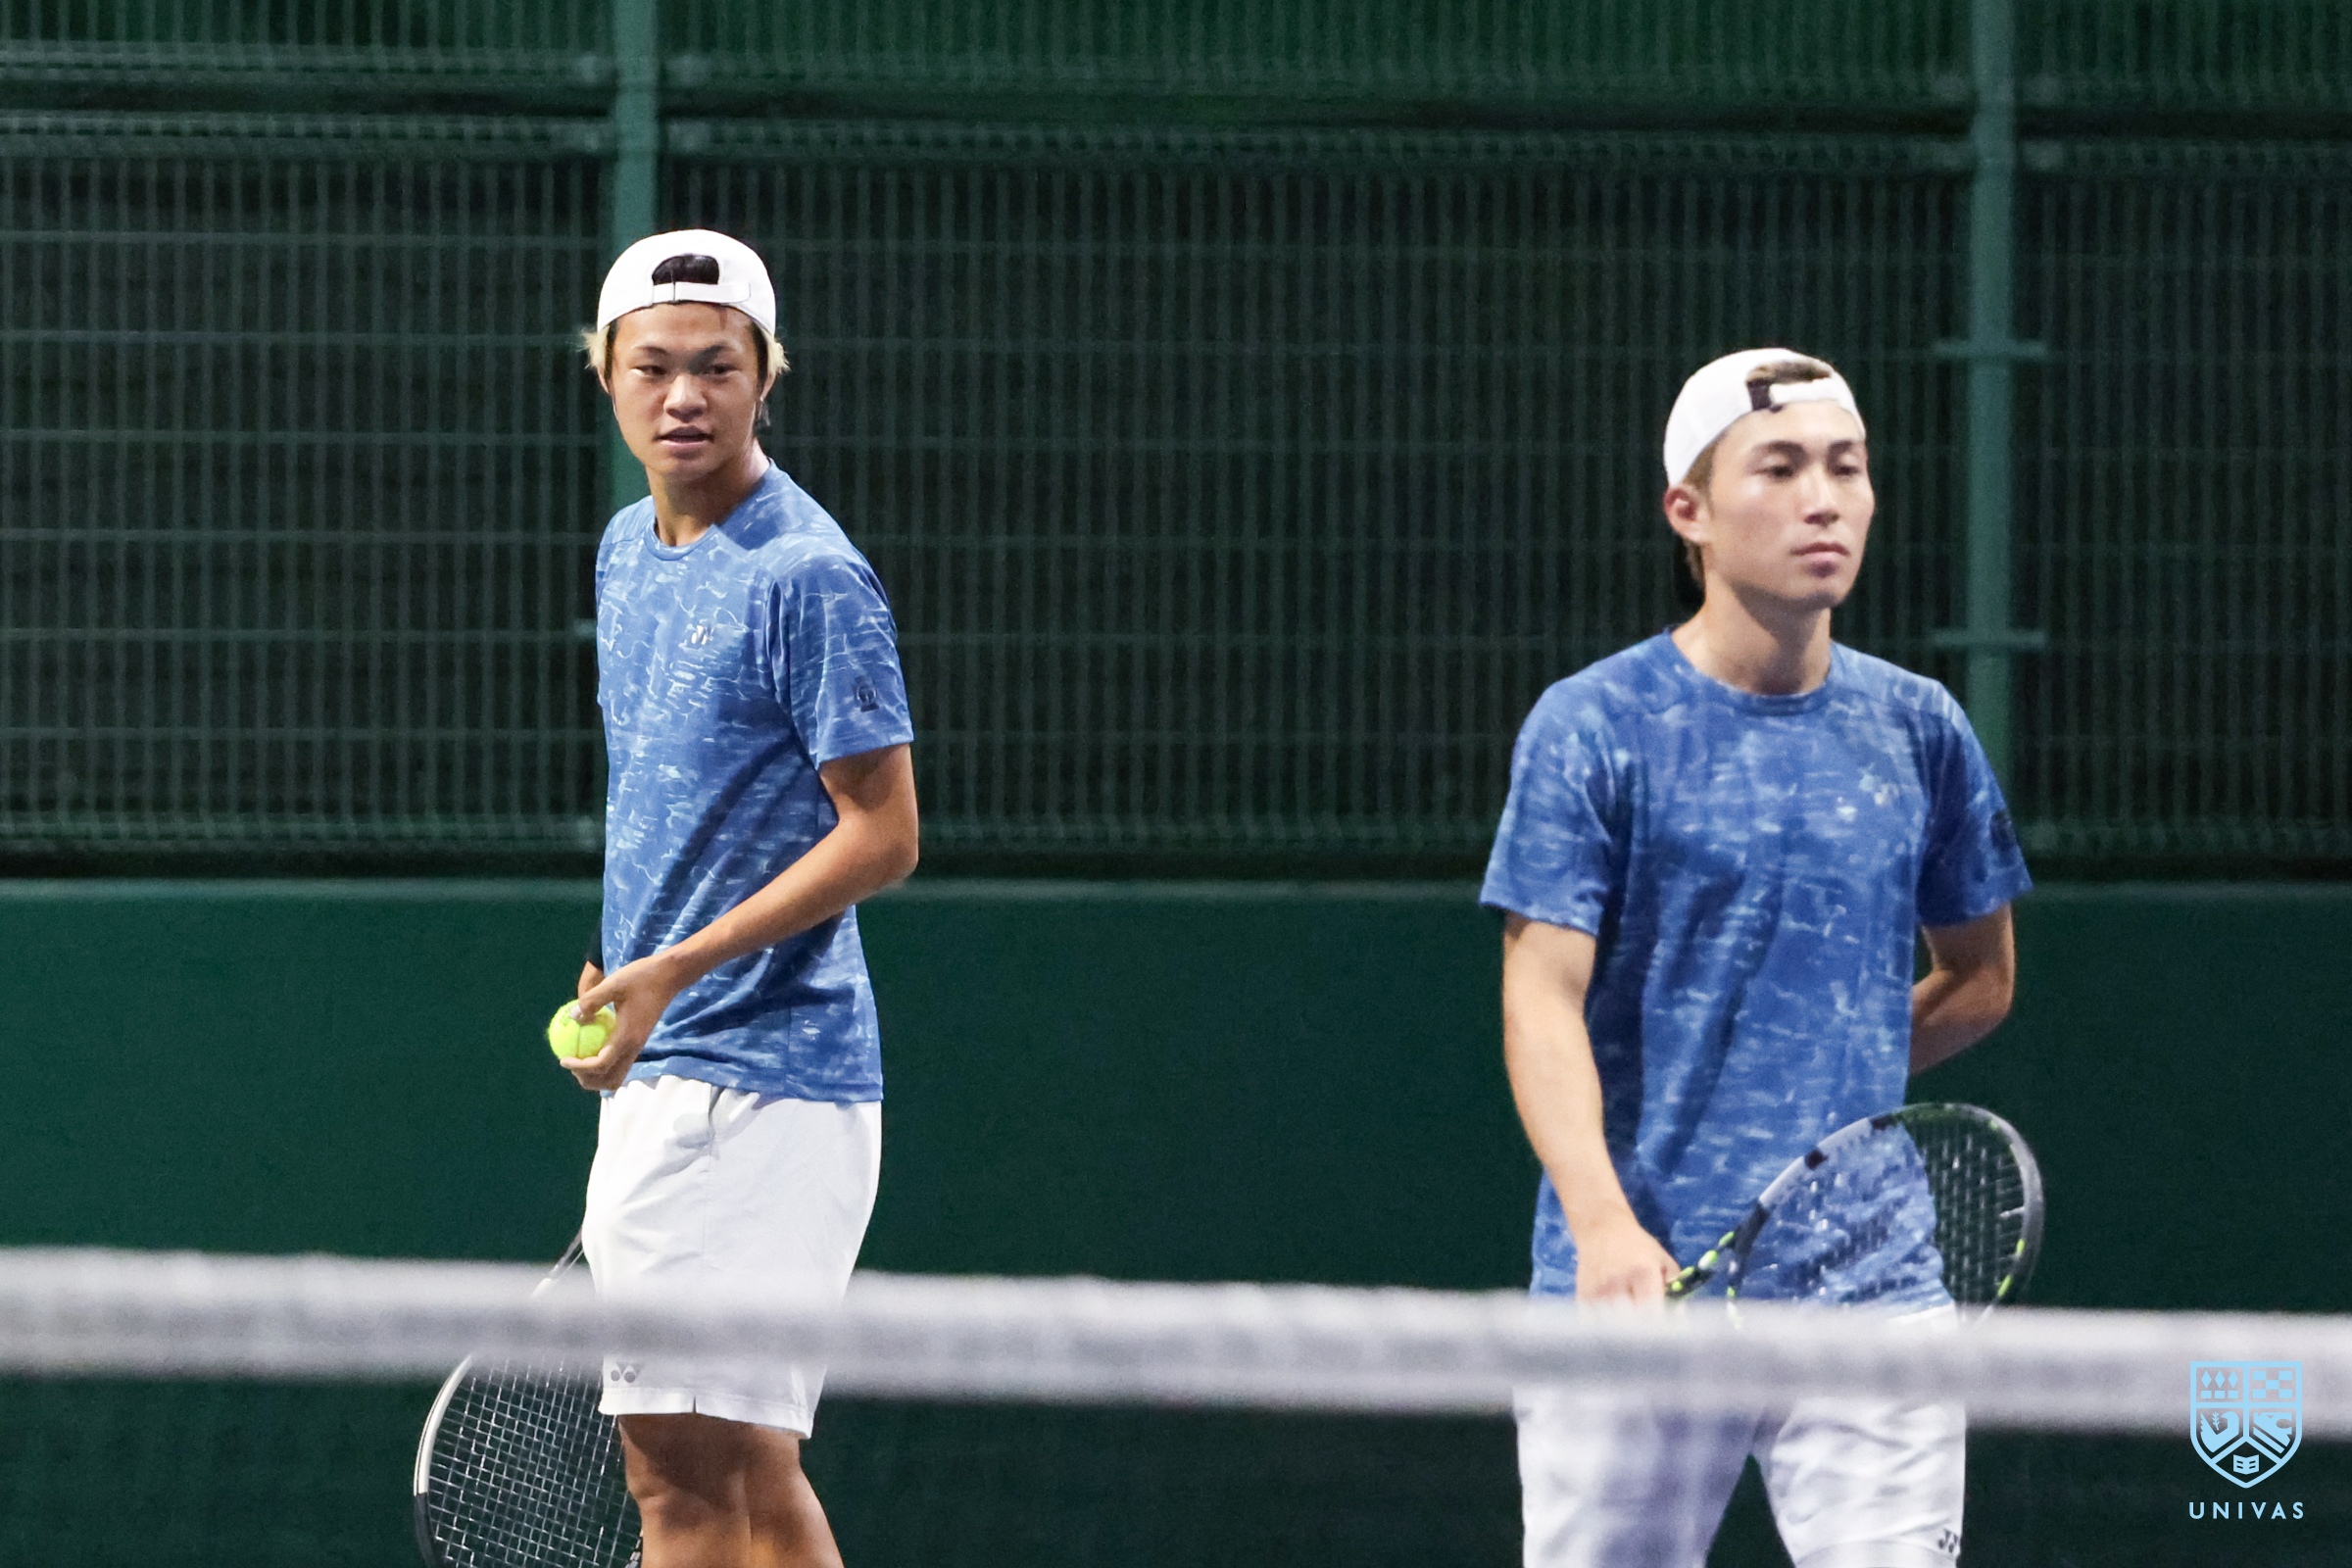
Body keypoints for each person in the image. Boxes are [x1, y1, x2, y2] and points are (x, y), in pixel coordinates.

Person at [1482, 348, 2032, 1568]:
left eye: (1847, 467)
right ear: (1689, 511)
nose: (1822, 500)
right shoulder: (1593, 727)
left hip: (1871, 1299)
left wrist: (1821, 1079)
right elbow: (1540, 999)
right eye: (1779, 469)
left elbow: (1982, 977)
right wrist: (1604, 1222)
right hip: (1637, 1287)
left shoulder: (1922, 728)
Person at [562, 228, 920, 1568]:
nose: (684, 397)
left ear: (768, 376)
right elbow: (676, 797)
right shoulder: (625, 551)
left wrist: (678, 969)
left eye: (717, 366)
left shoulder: (807, 575)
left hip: (767, 1084)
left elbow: (884, 835)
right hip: (672, 1062)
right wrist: (627, 974)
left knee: (684, 1484)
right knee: (743, 1476)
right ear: (603, 374)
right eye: (652, 366)